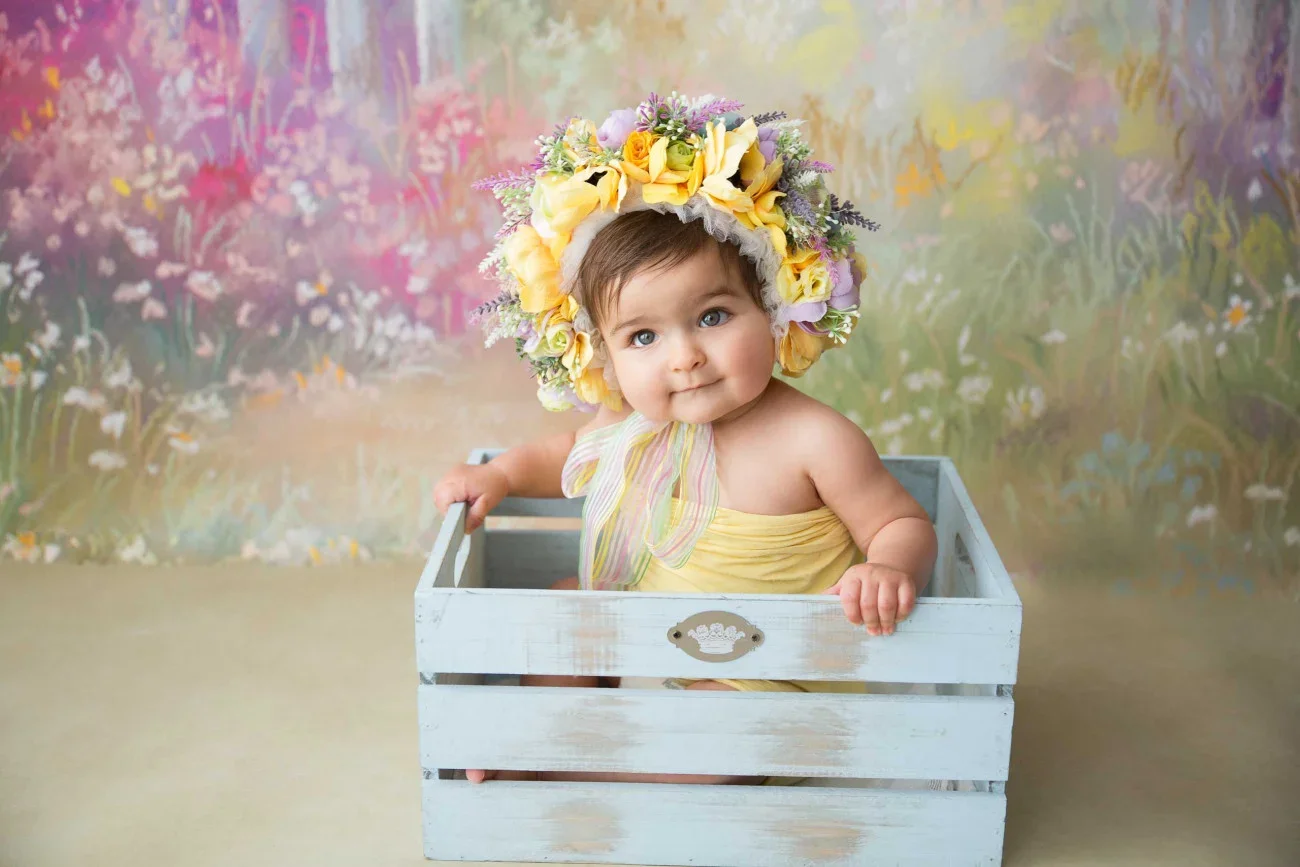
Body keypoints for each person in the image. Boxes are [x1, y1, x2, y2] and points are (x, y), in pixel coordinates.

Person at [433, 93, 938, 785]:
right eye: (643, 335)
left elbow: (902, 520)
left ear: (772, 306)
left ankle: (584, 778)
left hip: (762, 676)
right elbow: (561, 458)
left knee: (716, 736)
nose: (684, 357)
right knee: (565, 597)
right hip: (652, 637)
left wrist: (889, 567)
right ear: (605, 355)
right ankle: (551, 730)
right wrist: (500, 477)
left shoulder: (815, 439)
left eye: (712, 315)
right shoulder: (634, 423)